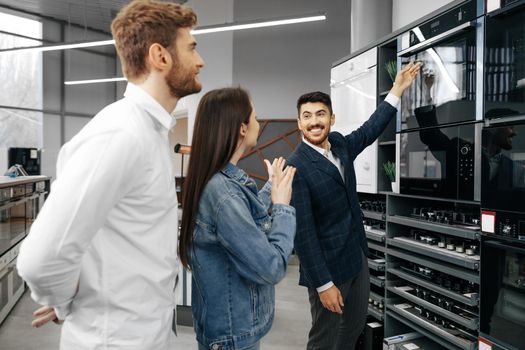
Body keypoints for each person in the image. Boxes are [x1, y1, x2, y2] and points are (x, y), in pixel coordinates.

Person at [16, 0, 204, 349]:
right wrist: (66, 304)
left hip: (143, 333)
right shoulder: (120, 134)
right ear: (160, 56)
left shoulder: (148, 132)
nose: (200, 60)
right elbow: (41, 258)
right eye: (191, 48)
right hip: (115, 340)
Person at [287, 62, 421, 350]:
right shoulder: (295, 167)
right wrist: (323, 284)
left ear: (332, 118)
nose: (314, 122)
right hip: (327, 269)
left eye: (320, 114)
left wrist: (397, 89)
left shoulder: (339, 145)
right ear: (298, 123)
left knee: (354, 328)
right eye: (307, 116)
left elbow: (369, 130)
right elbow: (304, 236)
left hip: (357, 257)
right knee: (324, 338)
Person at [178, 87, 297, 350]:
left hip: (231, 329)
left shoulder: (220, 182)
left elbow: (244, 222)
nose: (258, 123)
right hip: (232, 336)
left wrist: (270, 189)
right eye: (255, 117)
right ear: (242, 128)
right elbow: (272, 266)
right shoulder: (223, 193)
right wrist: (281, 206)